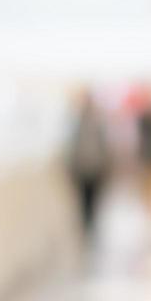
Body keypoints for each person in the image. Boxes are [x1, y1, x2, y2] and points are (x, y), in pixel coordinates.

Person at [67, 90, 111, 245]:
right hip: (84, 169)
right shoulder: (77, 123)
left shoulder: (92, 123)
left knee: (91, 200)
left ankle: (90, 227)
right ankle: (87, 227)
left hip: (94, 168)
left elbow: (104, 147)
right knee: (85, 200)